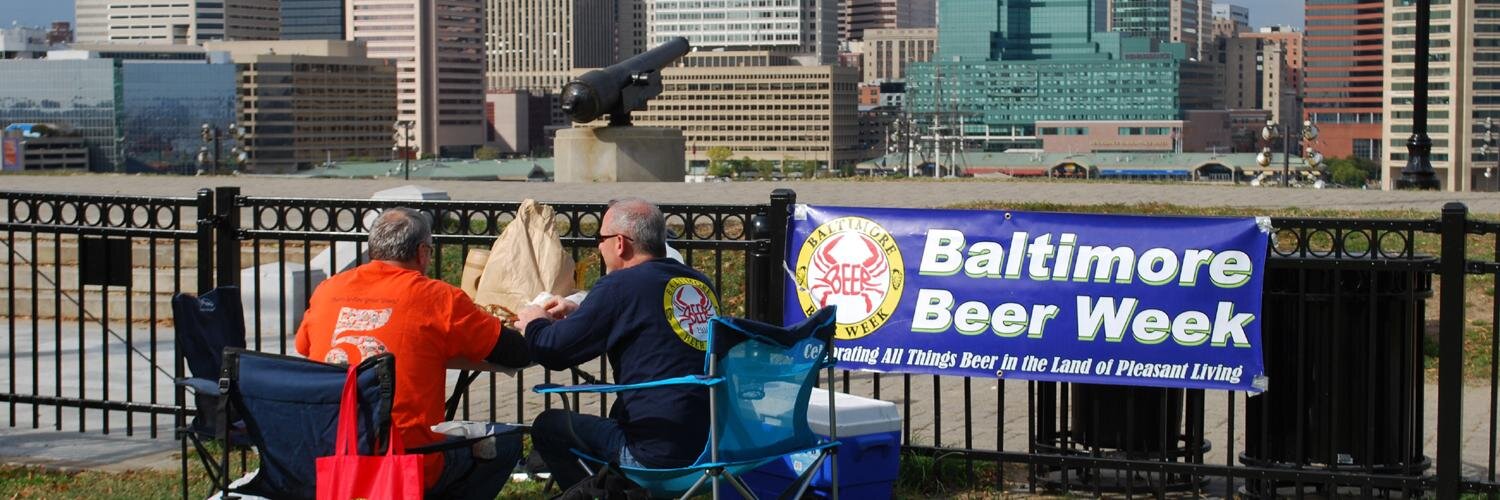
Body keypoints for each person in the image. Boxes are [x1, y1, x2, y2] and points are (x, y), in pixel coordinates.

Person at [295, 207, 529, 499]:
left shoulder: (328, 289)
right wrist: (535, 319)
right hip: (407, 461)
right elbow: (516, 353)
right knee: (507, 441)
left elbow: (304, 346)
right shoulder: (438, 298)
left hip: (331, 454)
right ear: (421, 252)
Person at [517, 197, 720, 488]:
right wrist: (583, 310)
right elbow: (648, 319)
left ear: (620, 243)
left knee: (548, 426)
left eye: (601, 239)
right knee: (621, 409)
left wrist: (534, 321)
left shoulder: (620, 286)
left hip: (655, 455)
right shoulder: (698, 283)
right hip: (712, 450)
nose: (599, 247)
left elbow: (551, 350)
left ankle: (598, 493)